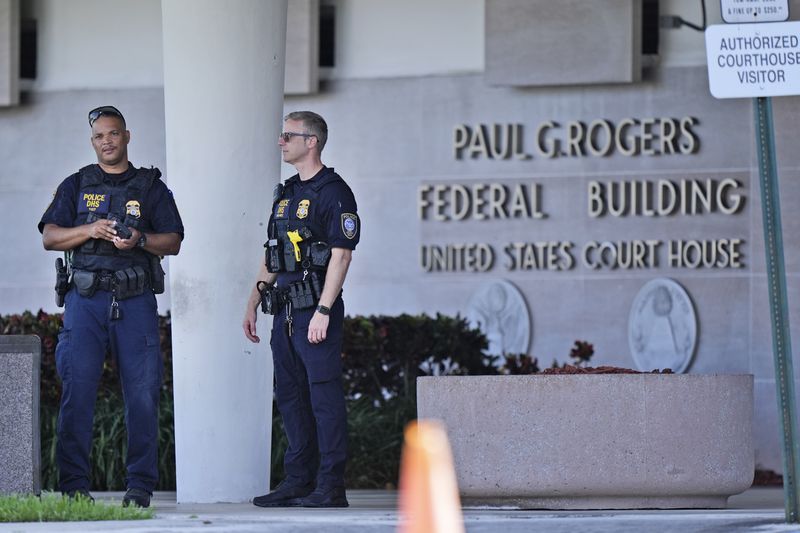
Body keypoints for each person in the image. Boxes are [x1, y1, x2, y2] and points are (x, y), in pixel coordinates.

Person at [38, 106, 184, 508]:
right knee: (77, 392)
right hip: (84, 301)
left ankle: (139, 488)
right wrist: (90, 229)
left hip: (134, 301)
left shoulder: (150, 186)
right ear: (93, 141)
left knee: (142, 395)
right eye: (100, 135)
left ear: (127, 136)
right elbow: (50, 237)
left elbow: (173, 240)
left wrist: (137, 238)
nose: (107, 141)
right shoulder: (76, 184)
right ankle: (74, 490)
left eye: (114, 134)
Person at [243, 111, 360, 508]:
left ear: (312, 141)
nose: (282, 142)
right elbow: (273, 254)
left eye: (289, 135)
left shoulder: (334, 191)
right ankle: (298, 480)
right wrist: (253, 301)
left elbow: (341, 257)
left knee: (323, 396)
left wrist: (325, 311)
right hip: (284, 313)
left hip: (315, 311)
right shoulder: (287, 193)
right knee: (290, 396)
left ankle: (331, 486)